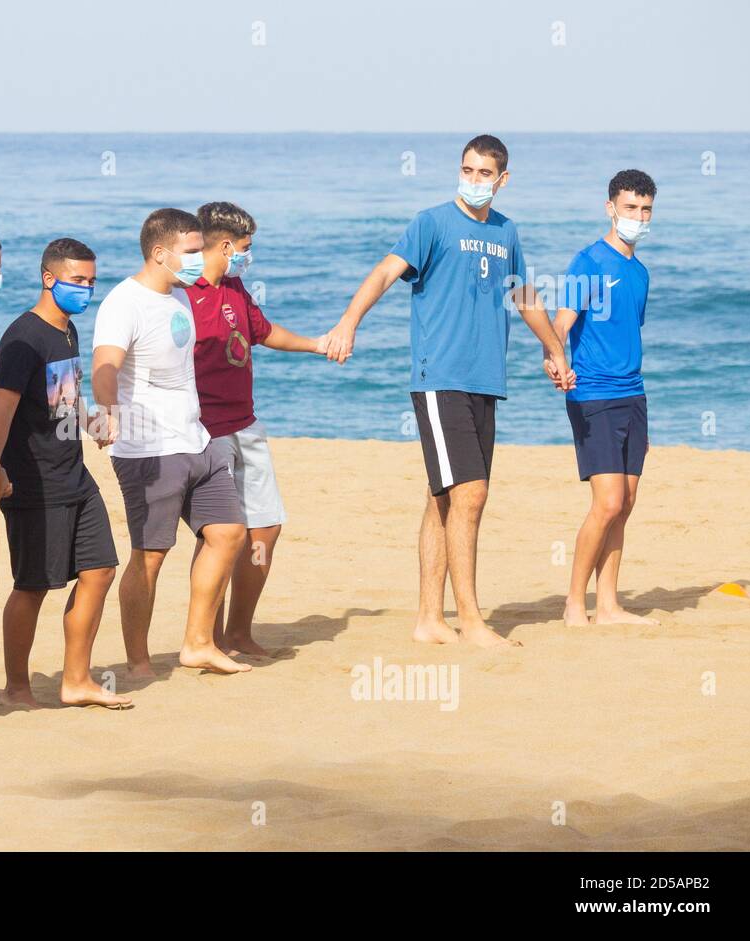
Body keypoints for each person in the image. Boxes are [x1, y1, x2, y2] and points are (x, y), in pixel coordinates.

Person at [323, 135, 575, 647]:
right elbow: (386, 272)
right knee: (472, 494)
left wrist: (553, 349)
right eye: (468, 170)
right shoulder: (432, 222)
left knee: (445, 497)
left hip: (486, 381)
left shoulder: (506, 232)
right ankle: (473, 622)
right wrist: (350, 321)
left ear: (502, 180)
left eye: (485, 174)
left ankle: (428, 620)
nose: (474, 180)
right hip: (440, 377)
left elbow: (524, 295)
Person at [92, 208, 250, 678]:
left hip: (197, 439)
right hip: (148, 449)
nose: (201, 258)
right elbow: (105, 365)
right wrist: (107, 412)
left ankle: (198, 643)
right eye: (192, 251)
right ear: (160, 253)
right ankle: (138, 660)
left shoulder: (179, 298)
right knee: (152, 554)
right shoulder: (125, 302)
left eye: (202, 249)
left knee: (228, 533)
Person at [0, 238, 131, 709]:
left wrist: (91, 423)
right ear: (49, 278)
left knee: (101, 569)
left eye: (91, 281)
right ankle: (16, 687)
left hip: (74, 474)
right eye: (77, 280)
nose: (86, 289)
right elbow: (2, 413)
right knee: (33, 586)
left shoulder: (66, 331)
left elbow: (62, 398)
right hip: (32, 481)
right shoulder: (22, 338)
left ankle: (75, 680)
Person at [187, 200, 330, 657]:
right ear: (225, 245)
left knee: (264, 527)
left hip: (245, 422)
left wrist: (316, 345)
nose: (248, 255)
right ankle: (203, 637)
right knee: (219, 534)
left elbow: (262, 332)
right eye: (245, 248)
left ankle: (238, 632)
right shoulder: (181, 294)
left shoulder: (235, 285)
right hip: (203, 430)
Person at [554, 169, 658, 628]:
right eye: (630, 207)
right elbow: (562, 320)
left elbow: (628, 334)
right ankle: (575, 603)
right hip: (592, 394)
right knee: (609, 502)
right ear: (610, 207)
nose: (637, 216)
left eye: (645, 209)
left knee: (627, 503)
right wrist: (554, 356)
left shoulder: (639, 272)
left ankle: (609, 605)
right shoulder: (589, 261)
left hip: (633, 395)